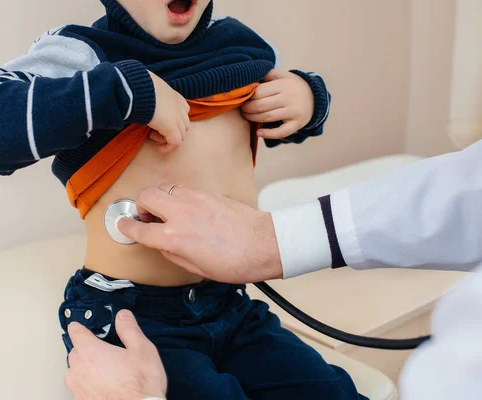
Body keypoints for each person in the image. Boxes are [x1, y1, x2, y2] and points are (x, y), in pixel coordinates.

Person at [0, 0, 365, 399]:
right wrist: (123, 92)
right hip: (133, 313)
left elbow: (274, 113)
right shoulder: (85, 53)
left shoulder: (242, 46)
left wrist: (308, 100)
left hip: (229, 303)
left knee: (332, 391)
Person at [63, 139, 481, 399]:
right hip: (135, 311)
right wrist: (270, 239)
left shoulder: (232, 50)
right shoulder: (79, 60)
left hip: (227, 303)